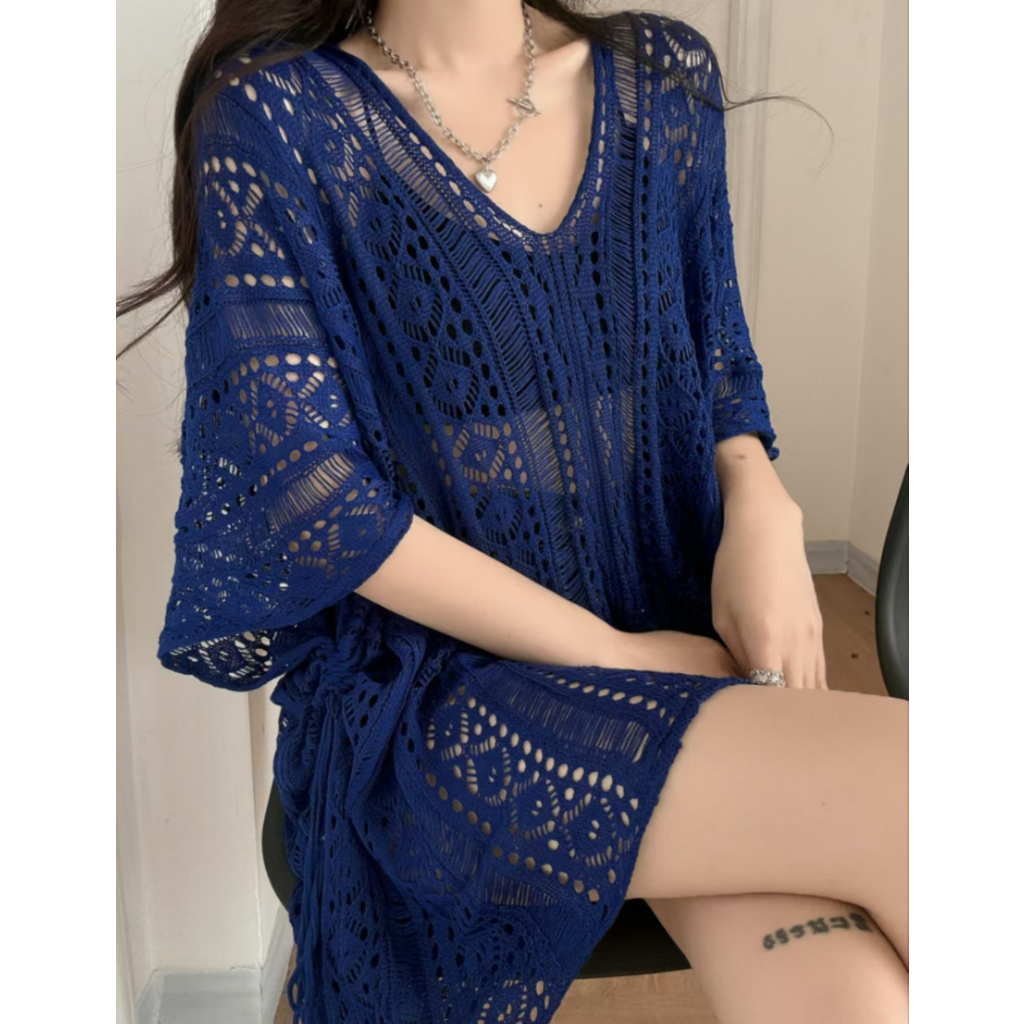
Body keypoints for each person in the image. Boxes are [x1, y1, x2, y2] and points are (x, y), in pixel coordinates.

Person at [116, 2, 908, 1021]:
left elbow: (715, 356)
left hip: (666, 627)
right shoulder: (278, 121)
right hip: (437, 688)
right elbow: (320, 501)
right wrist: (613, 658)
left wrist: (761, 498)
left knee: (854, 998)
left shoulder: (661, 80)